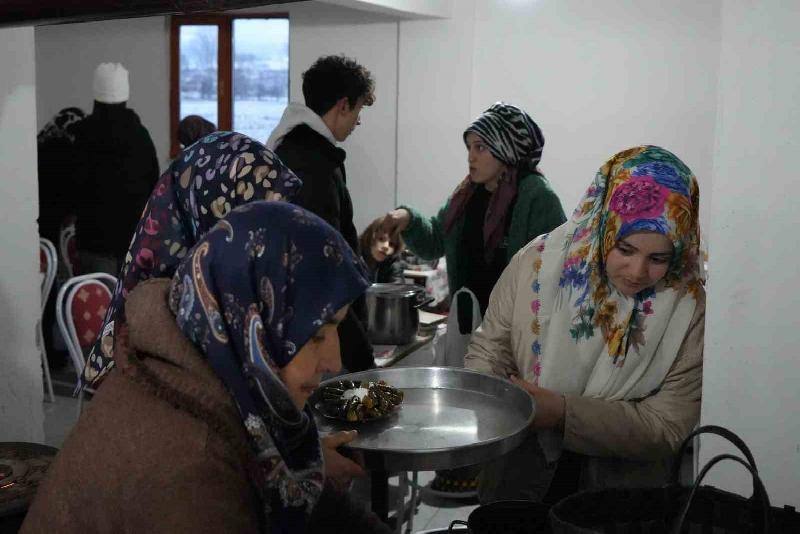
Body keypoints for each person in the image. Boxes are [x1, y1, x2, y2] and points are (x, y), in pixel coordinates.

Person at [22, 202, 391, 534]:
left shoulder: (225, 385)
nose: (334, 361)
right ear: (252, 325)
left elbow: (317, 502)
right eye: (317, 335)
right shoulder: (192, 468)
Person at [464, 145, 705, 504]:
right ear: (601, 226)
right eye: (625, 250)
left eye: (658, 258)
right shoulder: (537, 266)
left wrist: (563, 413)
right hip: (518, 476)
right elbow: (489, 351)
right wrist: (505, 403)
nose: (638, 272)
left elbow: (666, 425)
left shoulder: (687, 307)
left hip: (620, 499)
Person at [379, 102, 566, 497]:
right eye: (469, 147)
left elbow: (553, 271)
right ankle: (468, 476)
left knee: (506, 416)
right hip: (468, 320)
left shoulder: (537, 197)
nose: (471, 156)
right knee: (470, 405)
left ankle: (495, 488)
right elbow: (434, 240)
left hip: (513, 333)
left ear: (506, 150)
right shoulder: (468, 194)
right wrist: (406, 218)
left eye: (481, 147)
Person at [80, 131, 302, 389]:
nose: (272, 233)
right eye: (259, 214)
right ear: (217, 209)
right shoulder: (166, 314)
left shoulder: (229, 288)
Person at [267, 54, 376, 373]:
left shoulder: (294, 148)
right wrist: (362, 360)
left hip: (307, 327)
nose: (357, 122)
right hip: (317, 335)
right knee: (348, 405)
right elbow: (327, 269)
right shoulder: (312, 164)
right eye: (358, 111)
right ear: (343, 105)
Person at [72, 62, 160, 275]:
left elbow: (72, 186)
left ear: (96, 94)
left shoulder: (82, 135)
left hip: (93, 243)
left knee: (98, 296)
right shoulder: (140, 136)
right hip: (132, 243)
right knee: (128, 298)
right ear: (125, 94)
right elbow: (154, 183)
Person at [37, 107, 86, 368]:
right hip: (50, 228)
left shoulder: (42, 141)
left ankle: (48, 351)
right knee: (54, 291)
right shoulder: (63, 151)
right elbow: (67, 193)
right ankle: (55, 352)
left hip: (39, 226)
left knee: (46, 291)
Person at [358, 216, 405, 284]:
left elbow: (397, 287)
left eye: (391, 244)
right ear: (369, 237)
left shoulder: (394, 262)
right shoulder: (353, 253)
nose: (386, 247)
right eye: (381, 239)